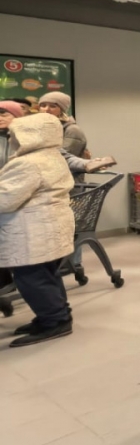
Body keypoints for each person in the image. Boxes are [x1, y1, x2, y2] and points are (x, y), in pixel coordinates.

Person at [0, 112, 76, 345]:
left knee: (31, 279)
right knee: (47, 275)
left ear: (30, 135)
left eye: (14, 134)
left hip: (32, 232)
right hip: (50, 227)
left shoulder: (27, 163)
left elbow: (5, 199)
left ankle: (55, 322)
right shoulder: (51, 155)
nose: (11, 139)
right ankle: (56, 315)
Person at [39, 92, 87, 157]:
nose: (46, 109)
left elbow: (65, 157)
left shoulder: (72, 130)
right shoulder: (40, 127)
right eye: (43, 106)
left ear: (62, 110)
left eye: (53, 106)